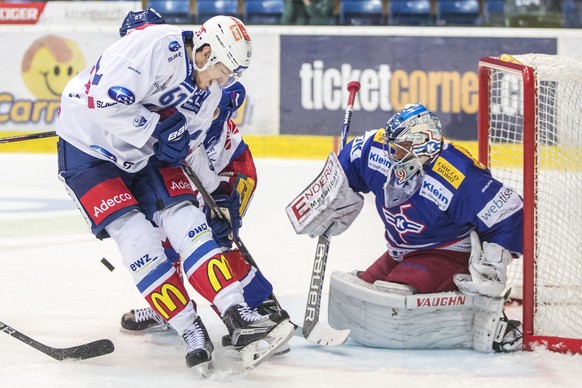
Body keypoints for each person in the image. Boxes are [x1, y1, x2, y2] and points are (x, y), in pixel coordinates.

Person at [56, 15, 293, 373]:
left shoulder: (209, 91)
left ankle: (236, 311)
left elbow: (190, 148)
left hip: (142, 152)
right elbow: (103, 102)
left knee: (188, 219)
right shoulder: (152, 45)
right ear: (206, 50)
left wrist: (216, 191)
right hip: (88, 152)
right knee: (135, 237)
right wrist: (157, 131)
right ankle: (189, 329)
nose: (223, 80)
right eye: (224, 69)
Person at [287, 103, 523, 353]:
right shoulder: (375, 149)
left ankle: (485, 319)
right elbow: (351, 160)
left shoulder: (458, 175)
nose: (392, 155)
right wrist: (335, 192)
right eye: (392, 147)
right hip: (400, 250)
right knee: (362, 292)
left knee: (394, 297)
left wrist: (495, 263)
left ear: (425, 142)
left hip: (447, 251)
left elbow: (509, 213)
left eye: (401, 149)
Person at [115, 9, 287, 351]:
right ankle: (169, 310)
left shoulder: (205, 82)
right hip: (199, 171)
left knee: (211, 238)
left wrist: (216, 195)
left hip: (227, 169)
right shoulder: (146, 75)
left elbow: (199, 146)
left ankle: (264, 310)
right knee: (164, 237)